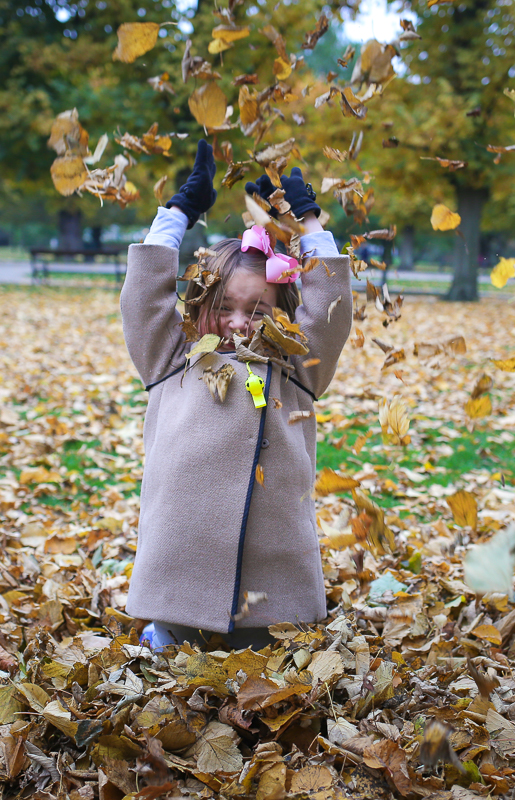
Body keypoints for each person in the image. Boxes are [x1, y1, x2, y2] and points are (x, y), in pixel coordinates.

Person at [121, 141, 352, 650]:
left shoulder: (294, 368)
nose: (239, 324)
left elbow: (330, 309)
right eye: (224, 306)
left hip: (272, 602)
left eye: (259, 310)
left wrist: (308, 223)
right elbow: (143, 295)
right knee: (170, 673)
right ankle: (165, 635)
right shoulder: (172, 359)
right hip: (178, 583)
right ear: (202, 301)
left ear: (284, 313)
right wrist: (179, 212)